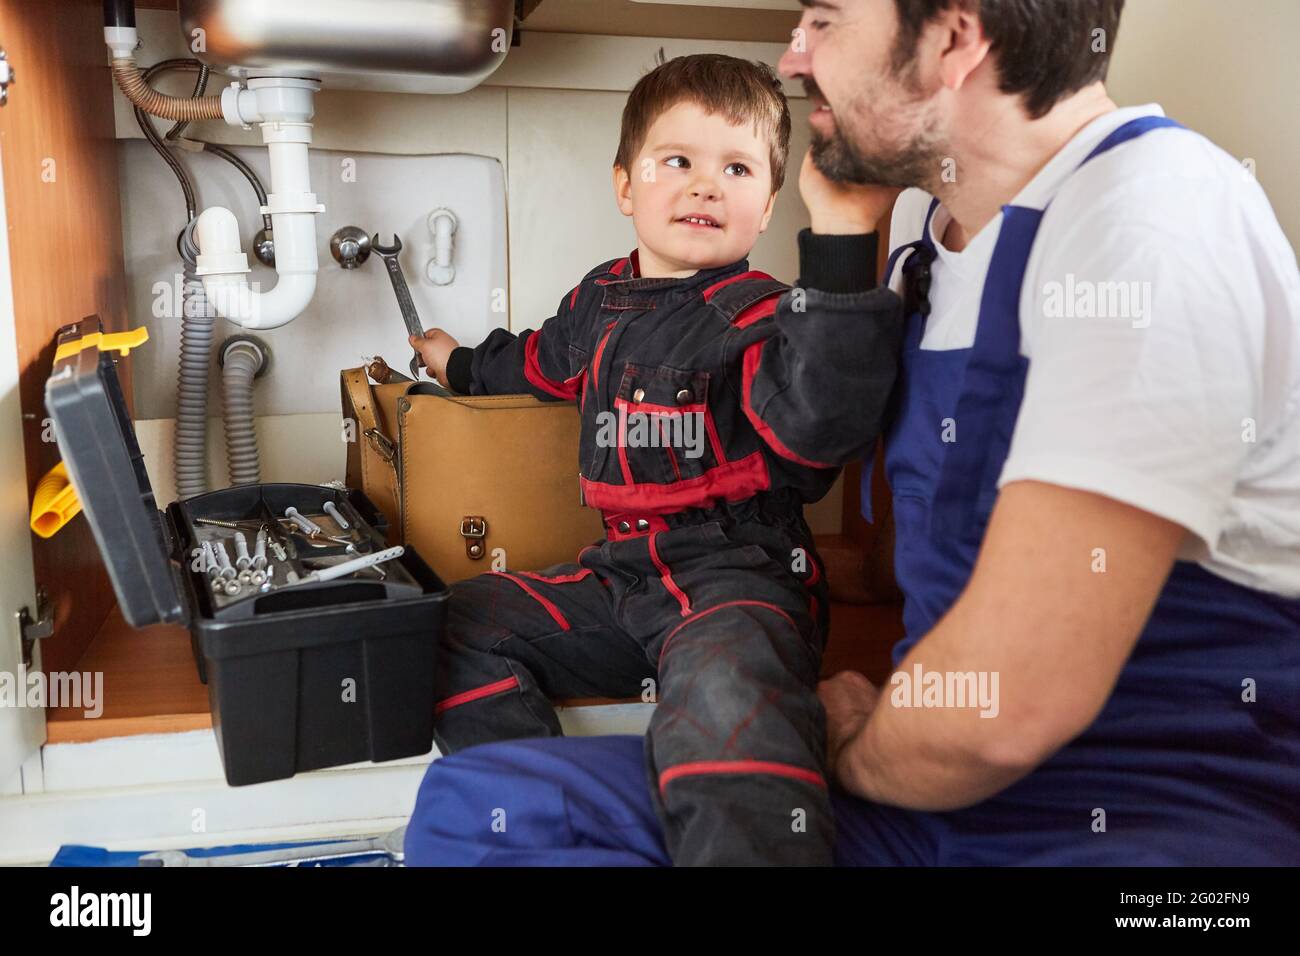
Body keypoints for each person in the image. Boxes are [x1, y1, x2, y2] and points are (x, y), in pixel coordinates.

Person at [404, 0, 1300, 866]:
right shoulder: (916, 227)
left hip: (1140, 818)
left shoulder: (1152, 222)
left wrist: (847, 748)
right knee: (475, 814)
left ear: (954, 36)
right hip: (932, 788)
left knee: (731, 761)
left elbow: (1002, 712)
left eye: (824, 20)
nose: (794, 57)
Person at [405, 52, 905, 865]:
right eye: (678, 161)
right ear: (626, 187)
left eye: (736, 168)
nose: (706, 186)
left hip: (738, 580)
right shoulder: (599, 299)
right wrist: (456, 361)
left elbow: (819, 429)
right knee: (454, 623)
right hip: (622, 576)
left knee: (725, 711)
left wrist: (840, 263)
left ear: (768, 201)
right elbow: (534, 362)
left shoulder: (770, 319)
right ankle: (535, 816)